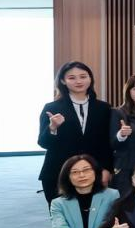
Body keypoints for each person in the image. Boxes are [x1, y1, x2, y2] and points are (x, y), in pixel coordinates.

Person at [39, 61, 114, 207]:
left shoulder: (103, 108)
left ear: (90, 79)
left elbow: (106, 143)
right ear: (63, 81)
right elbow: (43, 143)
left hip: (93, 172)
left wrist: (106, 169)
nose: (78, 81)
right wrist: (53, 127)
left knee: (93, 215)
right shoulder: (52, 108)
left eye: (83, 76)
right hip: (58, 172)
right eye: (72, 78)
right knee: (63, 216)